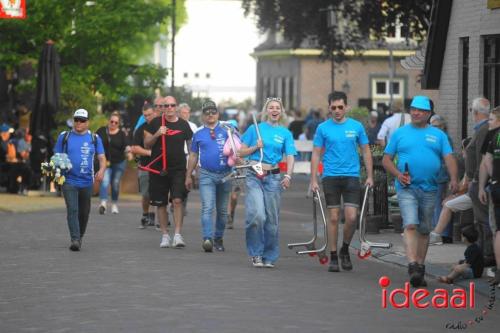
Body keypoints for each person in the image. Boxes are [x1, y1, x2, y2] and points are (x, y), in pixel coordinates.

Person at [382, 95, 458, 287]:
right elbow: (386, 159)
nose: (415, 113)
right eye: (413, 109)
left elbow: (448, 158)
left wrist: (455, 179)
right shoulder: (400, 133)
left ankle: (420, 268)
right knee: (410, 224)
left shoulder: (438, 135)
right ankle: (412, 264)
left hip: (430, 189)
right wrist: (399, 174)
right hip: (407, 187)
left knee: (424, 230)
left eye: (420, 110)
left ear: (428, 114)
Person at [310, 91, 374, 273]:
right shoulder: (323, 128)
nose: (337, 110)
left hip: (352, 176)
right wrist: (313, 179)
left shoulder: (356, 126)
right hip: (330, 175)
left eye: (340, 107)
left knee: (352, 217)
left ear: (346, 107)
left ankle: (345, 249)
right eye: (333, 107)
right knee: (333, 217)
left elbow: (366, 151)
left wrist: (369, 176)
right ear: (329, 108)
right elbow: (315, 153)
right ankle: (333, 256)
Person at [239, 97, 296, 268]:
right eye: (271, 107)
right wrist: (255, 147)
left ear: (281, 111)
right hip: (254, 175)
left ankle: (269, 256)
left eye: (277, 107)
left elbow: (291, 156)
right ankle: (256, 253)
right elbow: (240, 152)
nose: (274, 110)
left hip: (274, 178)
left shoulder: (285, 133)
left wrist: (288, 176)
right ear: (266, 111)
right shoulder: (254, 129)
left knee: (272, 220)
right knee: (257, 215)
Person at [144, 96, 193, 248]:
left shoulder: (183, 125)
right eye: (166, 106)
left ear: (176, 107)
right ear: (162, 108)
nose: (170, 108)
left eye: (172, 105)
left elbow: (192, 149)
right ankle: (165, 235)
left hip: (178, 169)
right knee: (161, 203)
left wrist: (190, 172)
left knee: (178, 200)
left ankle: (177, 235)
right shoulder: (156, 123)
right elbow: (147, 144)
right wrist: (158, 134)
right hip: (159, 169)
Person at [54, 109, 106, 251]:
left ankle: (80, 235)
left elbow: (102, 158)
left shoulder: (94, 138)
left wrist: (101, 171)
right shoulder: (64, 137)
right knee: (72, 209)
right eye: (76, 120)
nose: (79, 123)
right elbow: (56, 155)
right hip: (68, 180)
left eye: (82, 120)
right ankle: (75, 239)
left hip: (87, 181)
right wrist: (58, 169)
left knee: (84, 212)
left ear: (87, 122)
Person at [185, 100, 231, 252]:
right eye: (207, 112)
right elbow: (193, 155)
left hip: (226, 174)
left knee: (223, 211)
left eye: (213, 112)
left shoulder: (227, 130)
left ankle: (218, 238)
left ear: (218, 114)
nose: (210, 115)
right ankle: (207, 239)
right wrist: (188, 175)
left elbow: (238, 148)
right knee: (207, 208)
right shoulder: (198, 133)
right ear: (203, 116)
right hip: (206, 175)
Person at [465, 97, 493, 265]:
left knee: (483, 219)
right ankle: (482, 252)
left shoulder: (483, 130)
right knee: (480, 219)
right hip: (476, 180)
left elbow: (482, 157)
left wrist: (475, 179)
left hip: (479, 181)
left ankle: (487, 253)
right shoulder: (481, 129)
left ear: (475, 112)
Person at [429, 137, 473, 245]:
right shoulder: (469, 162)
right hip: (471, 193)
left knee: (448, 205)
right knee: (446, 203)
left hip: (473, 195)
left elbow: (465, 186)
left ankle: (437, 235)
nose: (461, 151)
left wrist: (453, 196)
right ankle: (438, 234)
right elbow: (463, 184)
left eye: (462, 148)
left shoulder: (470, 162)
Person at [478, 106, 500, 284]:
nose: (488, 122)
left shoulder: (493, 136)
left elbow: (486, 161)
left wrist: (494, 179)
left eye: (491, 119)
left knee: (497, 229)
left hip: (496, 187)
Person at [96, 111, 132, 214]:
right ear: (108, 121)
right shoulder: (102, 131)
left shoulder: (121, 134)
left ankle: (114, 204)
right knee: (105, 181)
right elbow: (94, 140)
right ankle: (103, 204)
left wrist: (129, 153)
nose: (113, 124)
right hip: (105, 161)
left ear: (118, 124)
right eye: (112, 121)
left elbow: (127, 146)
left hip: (119, 162)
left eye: (116, 122)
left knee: (115, 183)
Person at [130, 102, 158, 228]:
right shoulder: (140, 129)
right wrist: (150, 152)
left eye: (150, 114)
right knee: (146, 194)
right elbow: (134, 148)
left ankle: (154, 217)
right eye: (145, 115)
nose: (148, 117)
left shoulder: (162, 127)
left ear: (155, 113)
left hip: (161, 166)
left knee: (159, 192)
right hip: (146, 165)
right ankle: (145, 214)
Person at [429, 114, 454, 243]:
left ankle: (443, 234)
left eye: (436, 126)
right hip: (434, 176)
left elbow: (447, 159)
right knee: (435, 205)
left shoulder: (444, 139)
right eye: (432, 126)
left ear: (443, 126)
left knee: (439, 205)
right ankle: (438, 232)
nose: (433, 128)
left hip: (441, 176)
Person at [178, 102, 199, 212]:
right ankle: (176, 202)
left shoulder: (193, 126)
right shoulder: (175, 124)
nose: (186, 115)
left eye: (187, 113)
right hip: (178, 156)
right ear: (179, 113)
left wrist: (197, 162)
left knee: (187, 182)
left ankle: (183, 203)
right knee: (177, 181)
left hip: (190, 157)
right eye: (183, 113)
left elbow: (197, 145)